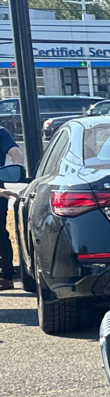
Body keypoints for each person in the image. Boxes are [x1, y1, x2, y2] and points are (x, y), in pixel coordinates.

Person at [0, 123, 20, 291]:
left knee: (0, 233)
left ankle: (5, 276)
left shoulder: (1, 133)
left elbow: (15, 153)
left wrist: (17, 169)